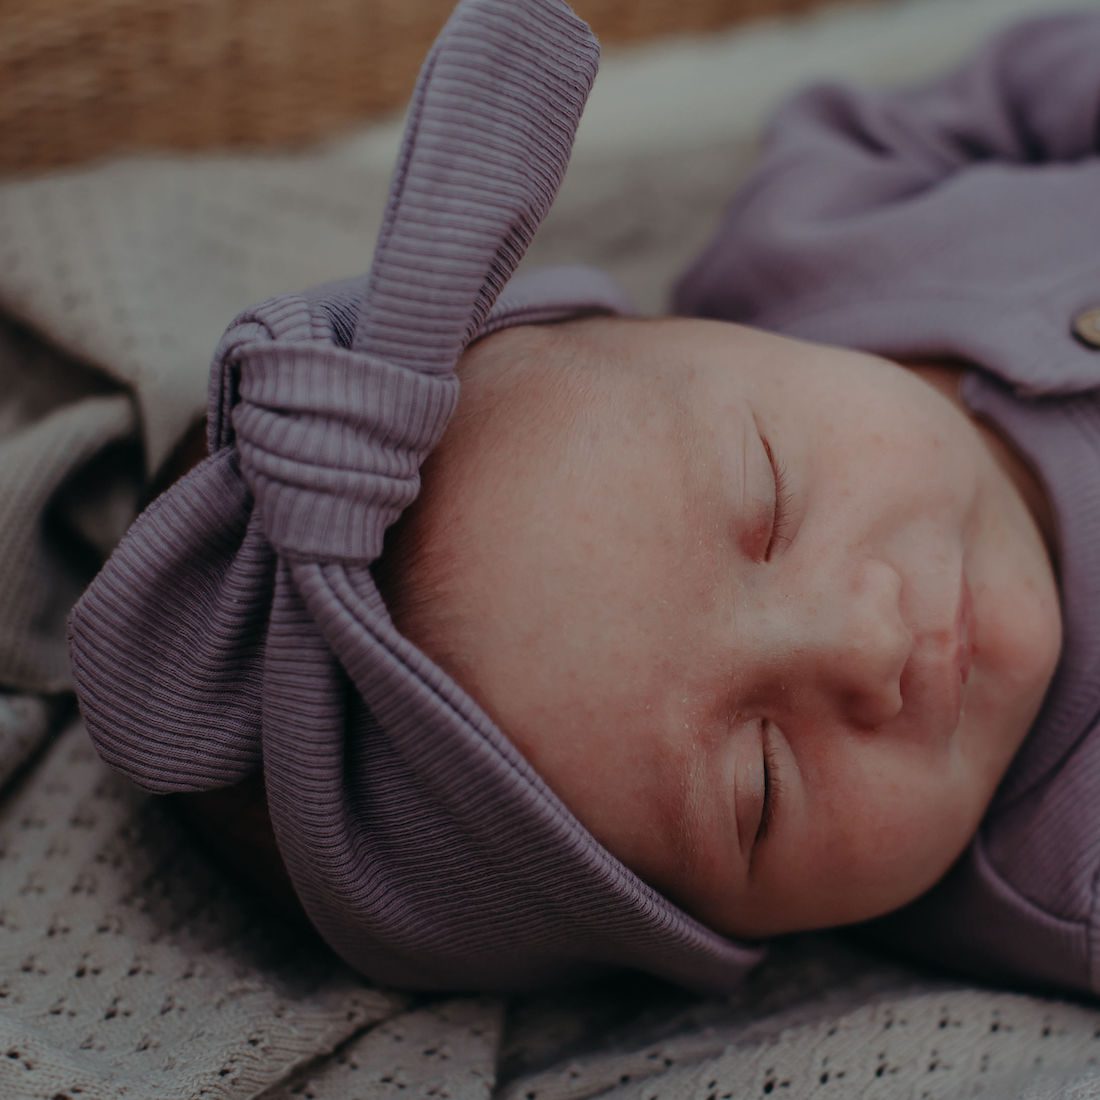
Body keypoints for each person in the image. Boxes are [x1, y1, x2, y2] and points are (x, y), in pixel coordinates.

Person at [68, 0, 1100, 996]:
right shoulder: (1071, 867)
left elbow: (1003, 89)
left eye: (767, 500)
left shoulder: (817, 230)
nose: (865, 640)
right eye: (761, 785)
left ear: (686, 326)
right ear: (726, 932)